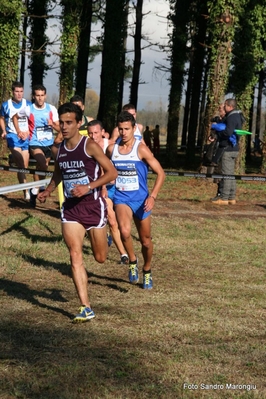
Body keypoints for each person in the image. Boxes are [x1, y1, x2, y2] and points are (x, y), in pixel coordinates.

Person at [37, 102, 118, 323]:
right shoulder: (60, 149)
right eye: (61, 123)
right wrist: (48, 191)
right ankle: (85, 306)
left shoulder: (89, 146)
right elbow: (58, 174)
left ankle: (104, 236)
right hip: (71, 209)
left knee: (100, 258)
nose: (63, 127)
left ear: (79, 123)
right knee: (74, 255)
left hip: (93, 206)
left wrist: (89, 187)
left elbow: (112, 172)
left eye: (68, 123)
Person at [106, 111, 165, 289]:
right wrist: (104, 184)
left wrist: (153, 196)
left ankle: (147, 270)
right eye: (121, 129)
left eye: (127, 129)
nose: (123, 133)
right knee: (124, 231)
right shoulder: (111, 149)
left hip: (141, 200)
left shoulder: (141, 149)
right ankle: (132, 261)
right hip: (121, 198)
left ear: (133, 128)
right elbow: (104, 168)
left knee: (145, 241)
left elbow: (161, 173)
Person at [87, 119, 129, 265]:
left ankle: (123, 249)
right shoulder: (86, 148)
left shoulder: (110, 147)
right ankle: (123, 254)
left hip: (115, 187)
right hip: (101, 188)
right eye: (90, 133)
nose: (93, 136)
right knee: (112, 220)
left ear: (103, 132)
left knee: (121, 224)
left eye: (96, 133)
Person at [12, 84, 60, 207]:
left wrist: (52, 125)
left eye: (42, 95)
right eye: (37, 95)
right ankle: (37, 188)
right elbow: (15, 117)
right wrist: (18, 131)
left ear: (45, 96)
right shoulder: (29, 109)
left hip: (49, 144)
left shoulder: (51, 109)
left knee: (41, 168)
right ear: (34, 96)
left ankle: (35, 192)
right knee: (42, 163)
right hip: (34, 143)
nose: (40, 98)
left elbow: (59, 127)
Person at [0, 82, 32, 200]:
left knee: (24, 166)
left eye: (21, 91)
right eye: (17, 92)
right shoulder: (6, 105)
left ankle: (25, 190)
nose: (19, 94)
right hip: (13, 135)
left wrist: (28, 133)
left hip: (25, 136)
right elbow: (2, 118)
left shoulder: (28, 104)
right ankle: (27, 191)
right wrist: (4, 131)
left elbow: (31, 121)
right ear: (12, 92)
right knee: (20, 163)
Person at [211, 98, 244, 205]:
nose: (224, 107)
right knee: (231, 174)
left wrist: (219, 134)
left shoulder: (231, 117)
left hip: (228, 149)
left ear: (230, 106)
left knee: (226, 174)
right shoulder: (237, 116)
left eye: (225, 105)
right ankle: (231, 197)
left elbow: (228, 132)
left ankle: (224, 198)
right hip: (234, 149)